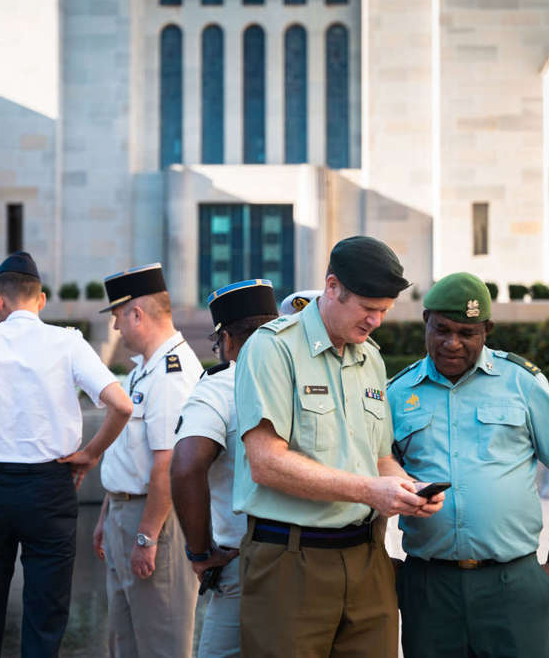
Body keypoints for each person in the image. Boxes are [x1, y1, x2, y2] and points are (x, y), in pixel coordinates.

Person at [233, 236, 445, 657]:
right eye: (368, 308)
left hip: (368, 560)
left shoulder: (371, 359)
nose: (376, 322)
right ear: (332, 288)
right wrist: (369, 490)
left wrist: (407, 489)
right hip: (290, 562)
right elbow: (266, 463)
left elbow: (380, 459)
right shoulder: (273, 348)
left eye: (384, 311)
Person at [0, 251, 133, 657]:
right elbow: (123, 405)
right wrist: (91, 454)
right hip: (50, 487)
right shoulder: (67, 342)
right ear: (41, 300)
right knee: (45, 617)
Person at [387, 272, 549, 658]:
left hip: (512, 584)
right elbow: (375, 479)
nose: (453, 343)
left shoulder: (523, 383)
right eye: (442, 329)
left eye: (467, 333)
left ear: (488, 330)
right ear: (425, 321)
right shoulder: (396, 394)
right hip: (429, 588)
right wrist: (381, 564)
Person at [93, 262, 203, 658]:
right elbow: (130, 453)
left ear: (137, 314)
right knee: (126, 643)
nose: (117, 328)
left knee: (161, 644)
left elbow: (167, 464)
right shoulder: (145, 370)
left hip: (154, 522)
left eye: (119, 317)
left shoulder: (173, 374)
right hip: (128, 517)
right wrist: (108, 513)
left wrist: (146, 536)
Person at [170, 279, 279, 658]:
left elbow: (185, 469)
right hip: (314, 560)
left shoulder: (219, 386)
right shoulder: (304, 381)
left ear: (228, 340)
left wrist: (200, 554)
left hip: (243, 562)